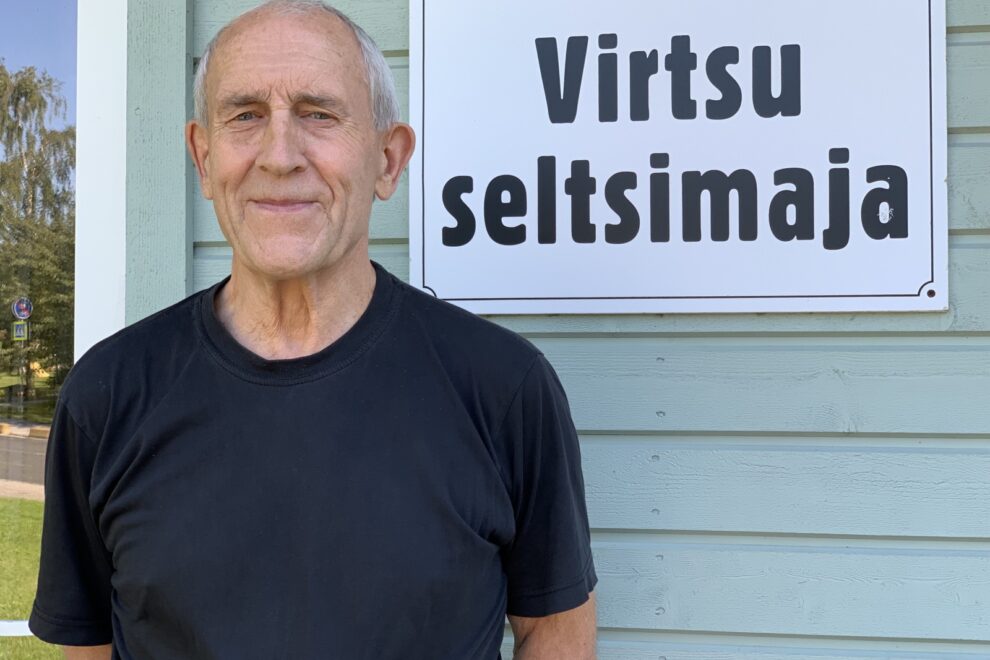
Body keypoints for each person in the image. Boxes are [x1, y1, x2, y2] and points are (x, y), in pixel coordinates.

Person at [30, 1, 597, 658]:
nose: (279, 155)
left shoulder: (503, 388)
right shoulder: (107, 395)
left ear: (388, 160)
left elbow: (554, 629)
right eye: (245, 116)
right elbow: (89, 643)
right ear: (204, 158)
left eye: (318, 114)